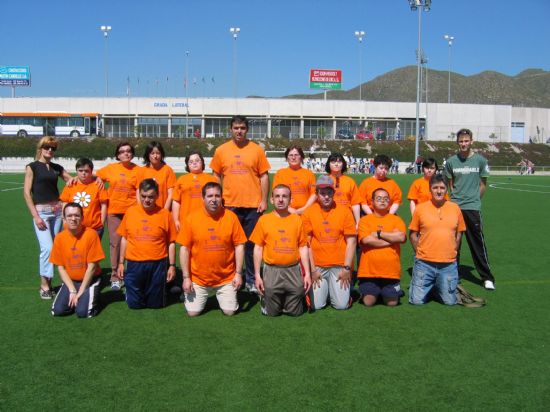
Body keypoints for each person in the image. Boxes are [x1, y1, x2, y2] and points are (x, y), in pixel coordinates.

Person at [210, 115, 271, 292]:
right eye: (236, 128)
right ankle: (231, 278)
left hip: (253, 205)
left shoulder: (256, 150)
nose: (239, 131)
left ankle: (252, 280)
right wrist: (218, 198)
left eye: (242, 128)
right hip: (229, 205)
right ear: (230, 129)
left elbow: (264, 176)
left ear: (247, 130)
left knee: (252, 245)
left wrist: (264, 200)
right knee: (230, 244)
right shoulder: (221, 150)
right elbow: (216, 175)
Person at [177, 182, 246, 316]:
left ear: (221, 198)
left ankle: (223, 294)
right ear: (203, 199)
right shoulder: (191, 218)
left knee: (229, 312)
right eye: (209, 196)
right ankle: (197, 296)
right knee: (192, 313)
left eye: (217, 196)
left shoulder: (231, 218)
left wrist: (238, 273)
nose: (213, 199)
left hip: (225, 278)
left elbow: (239, 246)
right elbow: (184, 249)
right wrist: (186, 277)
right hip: (198, 279)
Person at [444, 128, 496, 290]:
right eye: (461, 141)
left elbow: (483, 185)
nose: (464, 144)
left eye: (466, 141)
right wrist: (456, 199)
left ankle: (487, 277)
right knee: (453, 244)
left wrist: (473, 200)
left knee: (477, 243)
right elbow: (450, 185)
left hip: (472, 208)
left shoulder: (480, 161)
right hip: (455, 208)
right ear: (457, 142)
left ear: (471, 141)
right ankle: (453, 275)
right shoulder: (451, 161)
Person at [23, 136, 74, 299]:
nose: (50, 150)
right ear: (41, 148)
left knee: (55, 250)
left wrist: (95, 178)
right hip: (42, 213)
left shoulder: (56, 167)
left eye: (53, 148)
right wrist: (35, 216)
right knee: (47, 248)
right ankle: (44, 285)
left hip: (57, 212)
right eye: (47, 147)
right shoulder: (32, 167)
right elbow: (26, 193)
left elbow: (72, 180)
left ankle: (49, 284)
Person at [250, 185, 312, 317]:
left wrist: (307, 273)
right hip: (272, 269)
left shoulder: (297, 219)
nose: (280, 199)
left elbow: (303, 247)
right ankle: (269, 298)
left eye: (285, 196)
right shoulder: (264, 220)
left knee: (296, 312)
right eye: (277, 196)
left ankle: (286, 299)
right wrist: (257, 275)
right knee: (272, 313)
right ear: (271, 200)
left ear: (290, 200)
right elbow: (258, 248)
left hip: (293, 268)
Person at [117, 179, 177, 309]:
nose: (147, 200)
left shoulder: (165, 214)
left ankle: (161, 290)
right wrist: (121, 263)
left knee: (155, 305)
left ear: (157, 196)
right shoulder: (131, 212)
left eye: (151, 196)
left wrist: (172, 265)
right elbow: (124, 239)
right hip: (134, 263)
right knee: (134, 305)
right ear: (139, 195)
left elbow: (171, 242)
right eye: (143, 196)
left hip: (158, 263)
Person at [409, 175, 466, 305]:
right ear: (430, 189)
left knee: (450, 302)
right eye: (435, 188)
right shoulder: (420, 208)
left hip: (448, 265)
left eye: (442, 188)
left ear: (447, 190)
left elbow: (459, 233)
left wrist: (452, 250)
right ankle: (432, 286)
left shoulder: (455, 208)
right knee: (416, 301)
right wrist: (420, 252)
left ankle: (436, 286)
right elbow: (413, 234)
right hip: (424, 263)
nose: (439, 191)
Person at [302, 176, 356, 311]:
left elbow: (351, 242)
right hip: (318, 266)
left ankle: (340, 293)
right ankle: (327, 291)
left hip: (339, 266)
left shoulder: (344, 211)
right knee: (318, 305)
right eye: (322, 193)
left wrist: (347, 269)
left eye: (329, 193)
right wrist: (312, 270)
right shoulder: (308, 212)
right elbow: (306, 244)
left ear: (334, 193)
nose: (326, 197)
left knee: (341, 306)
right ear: (317, 194)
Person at [96, 142, 140, 291]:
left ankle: (132, 274)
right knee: (115, 243)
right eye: (122, 151)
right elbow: (96, 176)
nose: (125, 153)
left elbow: (141, 191)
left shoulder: (138, 170)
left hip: (132, 212)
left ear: (132, 153)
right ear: (118, 154)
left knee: (132, 244)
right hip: (114, 212)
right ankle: (115, 276)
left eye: (128, 151)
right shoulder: (111, 169)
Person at [50, 203, 105, 317]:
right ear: (64, 218)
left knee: (83, 312)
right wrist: (72, 290)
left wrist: (80, 292)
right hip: (71, 281)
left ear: (82, 218)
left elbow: (92, 267)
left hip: (90, 280)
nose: (73, 219)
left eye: (77, 215)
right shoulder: (59, 238)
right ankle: (79, 299)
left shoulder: (91, 235)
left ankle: (91, 297)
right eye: (69, 216)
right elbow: (60, 267)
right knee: (58, 311)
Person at [357, 188, 407, 307]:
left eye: (385, 199)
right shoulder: (364, 220)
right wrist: (391, 239)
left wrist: (379, 234)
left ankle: (384, 292)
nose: (382, 201)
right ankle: (374, 291)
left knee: (392, 303)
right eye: (379, 199)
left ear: (389, 202)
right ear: (372, 202)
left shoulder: (396, 219)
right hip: (369, 271)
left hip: (391, 271)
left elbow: (401, 237)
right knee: (369, 302)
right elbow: (367, 240)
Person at [60, 158, 108, 238]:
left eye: (86, 171)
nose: (83, 173)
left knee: (92, 250)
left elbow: (104, 205)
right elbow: (65, 203)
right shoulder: (70, 185)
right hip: (73, 227)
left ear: (91, 172)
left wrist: (102, 223)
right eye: (80, 170)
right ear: (76, 171)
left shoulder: (98, 186)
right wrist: (64, 221)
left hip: (94, 228)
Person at [172, 151, 217, 232]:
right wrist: (175, 220)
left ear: (202, 162)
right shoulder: (181, 180)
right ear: (187, 165)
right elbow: (176, 201)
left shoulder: (211, 179)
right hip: (186, 220)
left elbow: (217, 200)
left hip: (207, 220)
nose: (194, 163)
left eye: (197, 160)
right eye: (191, 162)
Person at [272, 145, 317, 215]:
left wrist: (303, 209)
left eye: (296, 155)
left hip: (306, 213)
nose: (293, 157)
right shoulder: (280, 173)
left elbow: (314, 194)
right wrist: (289, 209)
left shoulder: (309, 174)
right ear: (287, 158)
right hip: (285, 212)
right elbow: (276, 194)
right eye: (290, 155)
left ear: (301, 157)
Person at [137, 141, 176, 210]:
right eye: (152, 153)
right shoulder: (142, 171)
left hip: (163, 210)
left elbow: (171, 194)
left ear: (161, 155)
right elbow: (138, 192)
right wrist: (142, 209)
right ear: (148, 155)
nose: (155, 156)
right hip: (146, 211)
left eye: (158, 153)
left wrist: (165, 211)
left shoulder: (168, 170)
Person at [324, 153, 361, 225]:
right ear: (329, 164)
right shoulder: (324, 180)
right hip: (328, 217)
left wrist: (358, 222)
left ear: (343, 164)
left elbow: (355, 203)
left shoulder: (350, 181)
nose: (336, 164)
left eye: (339, 162)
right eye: (333, 162)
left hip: (347, 218)